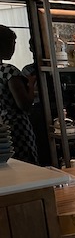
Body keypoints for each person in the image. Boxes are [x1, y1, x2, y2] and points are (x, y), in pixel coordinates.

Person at [0, 24, 38, 164]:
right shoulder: (9, 71)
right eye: (12, 43)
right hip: (17, 125)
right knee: (28, 163)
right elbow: (25, 104)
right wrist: (31, 84)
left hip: (1, 125)